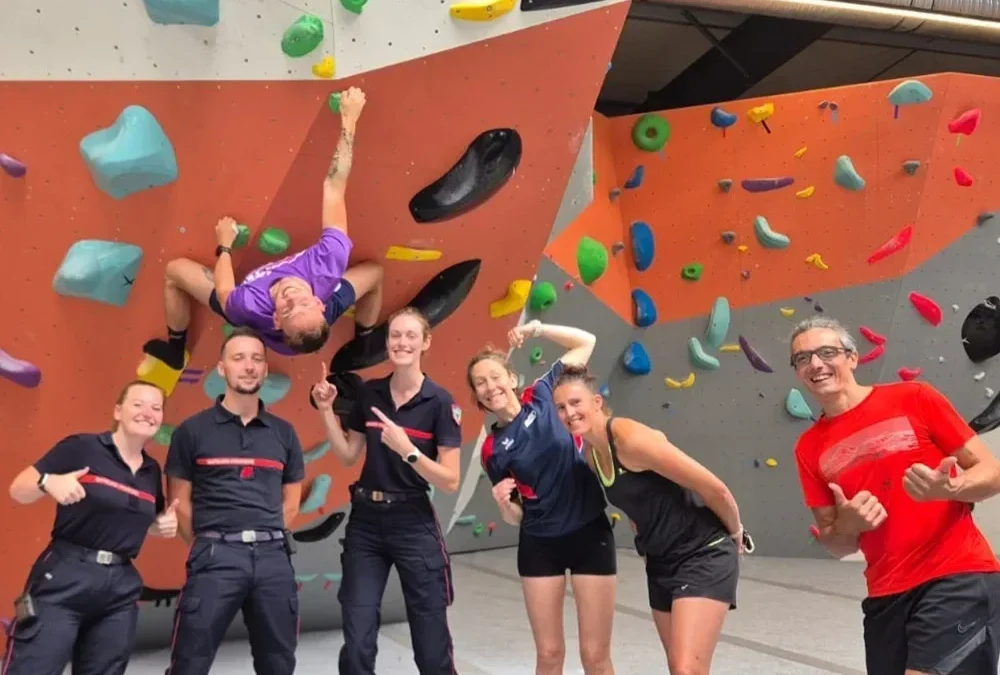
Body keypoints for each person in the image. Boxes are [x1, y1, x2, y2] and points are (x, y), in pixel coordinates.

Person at [790, 315, 1000, 675]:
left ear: (852, 357)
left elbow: (992, 471)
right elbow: (835, 542)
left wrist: (952, 488)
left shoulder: (915, 398)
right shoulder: (808, 448)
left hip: (956, 576)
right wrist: (848, 525)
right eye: (802, 358)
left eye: (827, 352)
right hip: (885, 596)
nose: (816, 364)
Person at [143, 86, 384, 367]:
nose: (292, 297)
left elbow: (224, 290)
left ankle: (175, 348)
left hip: (259, 314)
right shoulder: (330, 263)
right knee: (375, 273)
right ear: (321, 304)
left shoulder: (247, 305)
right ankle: (365, 342)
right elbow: (334, 186)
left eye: (288, 309)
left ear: (276, 319)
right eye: (303, 304)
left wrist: (224, 245)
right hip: (309, 318)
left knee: (175, 272)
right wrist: (349, 120)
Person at [551, 363, 750, 675]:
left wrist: (736, 532)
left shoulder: (630, 438)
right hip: (661, 563)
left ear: (597, 402)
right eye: (561, 407)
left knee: (688, 669)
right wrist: (646, 549)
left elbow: (714, 488)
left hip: (702, 551)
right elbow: (635, 506)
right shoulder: (592, 456)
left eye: (575, 402)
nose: (569, 413)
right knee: (677, 667)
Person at [311, 306, 462, 675]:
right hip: (366, 524)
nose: (402, 342)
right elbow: (348, 455)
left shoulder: (440, 402)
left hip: (414, 522)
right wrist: (326, 410)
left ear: (426, 342)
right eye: (395, 335)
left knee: (430, 645)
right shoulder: (370, 394)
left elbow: (450, 479)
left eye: (411, 335)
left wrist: (408, 451)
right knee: (358, 637)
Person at [467, 320, 615, 675]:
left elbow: (587, 339)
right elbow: (516, 516)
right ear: (478, 397)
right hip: (539, 544)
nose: (490, 386)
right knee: (549, 655)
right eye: (480, 383)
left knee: (595, 656)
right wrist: (504, 505)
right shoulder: (492, 450)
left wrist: (535, 328)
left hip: (588, 532)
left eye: (495, 376)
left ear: (512, 379)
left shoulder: (543, 394)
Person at [2, 380, 179, 675]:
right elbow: (18, 489)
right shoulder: (82, 448)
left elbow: (139, 518)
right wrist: (48, 482)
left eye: (156, 407)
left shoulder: (151, 471)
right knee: (34, 667)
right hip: (65, 575)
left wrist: (160, 525)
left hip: (120, 587)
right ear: (118, 411)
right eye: (138, 404)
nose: (148, 412)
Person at [164, 326, 306, 675]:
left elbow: (291, 499)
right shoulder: (192, 431)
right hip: (215, 557)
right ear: (222, 368)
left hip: (274, 559)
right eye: (238, 358)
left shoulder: (284, 433)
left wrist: (267, 536)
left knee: (279, 664)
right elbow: (179, 502)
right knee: (189, 664)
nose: (249, 366)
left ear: (265, 369)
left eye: (257, 359)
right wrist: (206, 547)